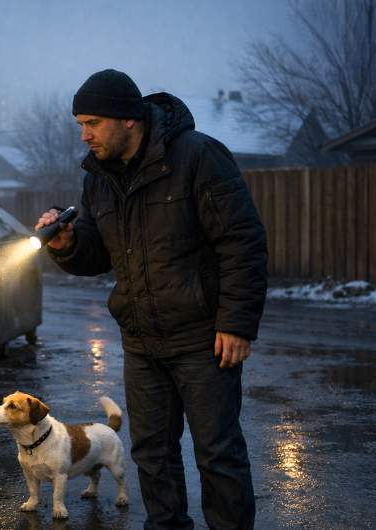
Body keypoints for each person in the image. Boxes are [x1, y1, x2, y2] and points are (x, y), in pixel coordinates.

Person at [36, 69, 267, 529]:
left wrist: (236, 323)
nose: (84, 135)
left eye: (92, 123)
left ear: (129, 120)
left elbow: (242, 241)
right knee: (152, 454)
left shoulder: (198, 156)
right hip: (141, 340)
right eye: (80, 124)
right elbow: (99, 251)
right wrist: (67, 245)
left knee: (217, 453)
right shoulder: (99, 178)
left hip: (204, 337)